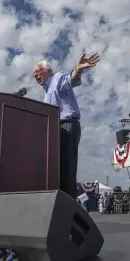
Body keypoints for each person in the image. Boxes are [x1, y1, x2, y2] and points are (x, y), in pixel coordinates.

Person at [32, 53, 100, 200]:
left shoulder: (57, 78)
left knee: (67, 167)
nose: (35, 75)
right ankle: (58, 201)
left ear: (48, 70)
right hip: (55, 131)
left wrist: (79, 69)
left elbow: (71, 79)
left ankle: (68, 205)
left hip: (67, 125)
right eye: (33, 75)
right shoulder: (45, 95)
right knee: (56, 169)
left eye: (37, 71)